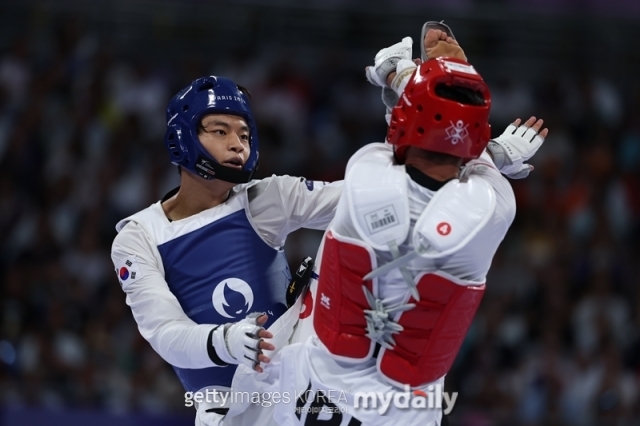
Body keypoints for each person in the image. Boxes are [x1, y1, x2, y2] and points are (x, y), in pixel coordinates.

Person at [229, 30, 548, 426]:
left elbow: (409, 141)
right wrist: (487, 143)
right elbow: (464, 158)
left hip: (314, 392)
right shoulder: (496, 207)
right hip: (404, 412)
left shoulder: (366, 173)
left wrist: (400, 74)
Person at [110, 76, 345, 426]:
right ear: (183, 137)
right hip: (230, 410)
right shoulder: (139, 236)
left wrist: (401, 100)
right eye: (220, 132)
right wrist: (228, 341)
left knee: (349, 238)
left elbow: (366, 199)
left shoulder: (267, 199)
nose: (237, 145)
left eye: (244, 135)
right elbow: (165, 334)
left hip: (300, 380)